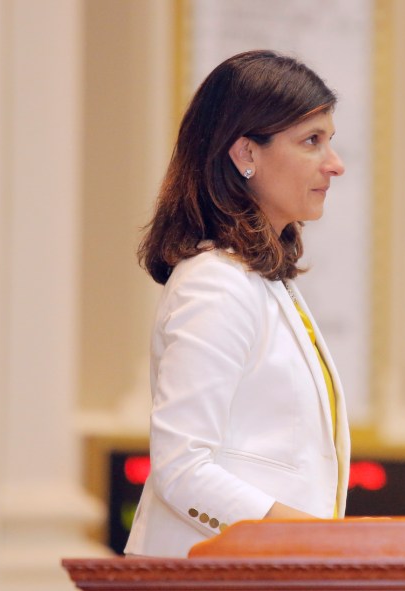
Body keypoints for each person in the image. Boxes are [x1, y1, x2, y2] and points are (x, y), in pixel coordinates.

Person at [124, 49, 350, 557]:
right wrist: (317, 542)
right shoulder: (215, 284)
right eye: (311, 141)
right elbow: (182, 468)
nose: (335, 164)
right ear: (246, 154)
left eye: (329, 141)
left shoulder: (264, 282)